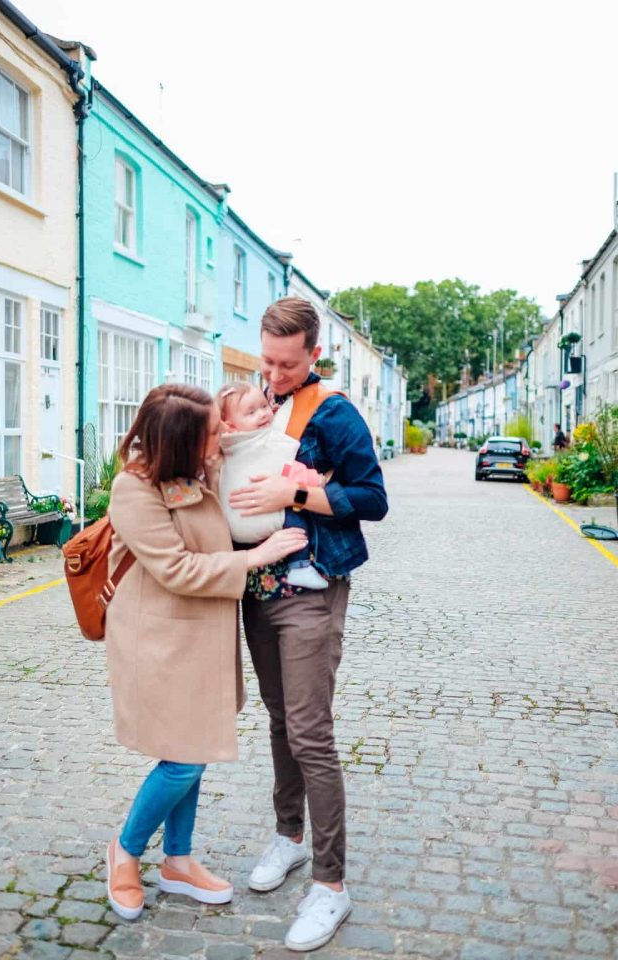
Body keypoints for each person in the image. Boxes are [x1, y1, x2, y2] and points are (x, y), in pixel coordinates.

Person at [103, 384, 308, 921]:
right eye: (213, 432)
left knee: (191, 750)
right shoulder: (134, 489)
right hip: (161, 641)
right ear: (178, 440)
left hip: (202, 635)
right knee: (183, 758)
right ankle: (125, 851)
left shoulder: (198, 469)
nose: (222, 437)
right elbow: (177, 568)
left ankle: (178, 860)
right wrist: (258, 557)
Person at [229, 298, 389, 952]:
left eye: (287, 363)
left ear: (313, 355)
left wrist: (291, 495)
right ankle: (289, 838)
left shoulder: (335, 411)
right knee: (278, 720)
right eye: (267, 360)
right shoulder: (257, 401)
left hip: (311, 590)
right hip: (256, 591)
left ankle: (330, 886)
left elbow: (373, 498)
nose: (275, 373)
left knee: (311, 732)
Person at [215, 381, 328, 590]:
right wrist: (316, 480)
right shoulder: (259, 445)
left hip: (234, 529)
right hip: (258, 522)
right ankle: (300, 566)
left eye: (264, 406)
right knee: (299, 515)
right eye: (251, 412)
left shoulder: (226, 445)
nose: (263, 414)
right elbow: (286, 469)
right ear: (229, 425)